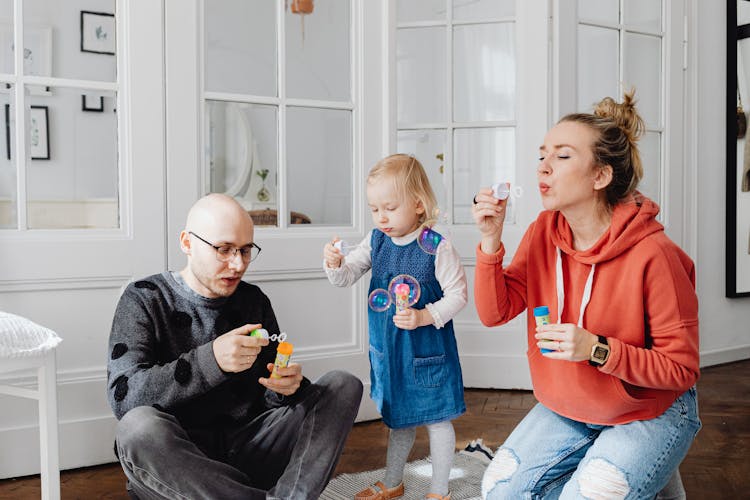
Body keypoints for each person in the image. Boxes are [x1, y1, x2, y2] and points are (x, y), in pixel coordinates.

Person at [472, 91, 701, 499]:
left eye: (561, 157)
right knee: (498, 489)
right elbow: (495, 311)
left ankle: (640, 464)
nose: (543, 167)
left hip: (650, 408)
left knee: (591, 493)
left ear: (600, 176)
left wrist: (597, 349)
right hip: (573, 405)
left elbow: (680, 370)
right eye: (542, 155)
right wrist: (491, 241)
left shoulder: (655, 254)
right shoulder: (544, 231)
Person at [107, 193, 363, 499]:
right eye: (224, 249)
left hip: (247, 449)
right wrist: (210, 360)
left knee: (343, 385)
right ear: (187, 243)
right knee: (137, 427)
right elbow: (125, 396)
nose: (238, 263)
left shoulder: (253, 301)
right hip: (177, 469)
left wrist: (283, 389)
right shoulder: (144, 298)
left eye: (245, 250)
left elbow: (265, 405)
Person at [323, 154, 468, 500]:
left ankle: (439, 490)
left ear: (418, 205)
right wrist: (333, 263)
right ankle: (393, 482)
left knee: (437, 417)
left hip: (427, 352)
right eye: (375, 209)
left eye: (389, 207)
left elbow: (458, 294)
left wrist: (423, 316)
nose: (381, 217)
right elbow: (345, 277)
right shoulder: (377, 241)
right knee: (398, 417)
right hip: (390, 351)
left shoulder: (435, 245)